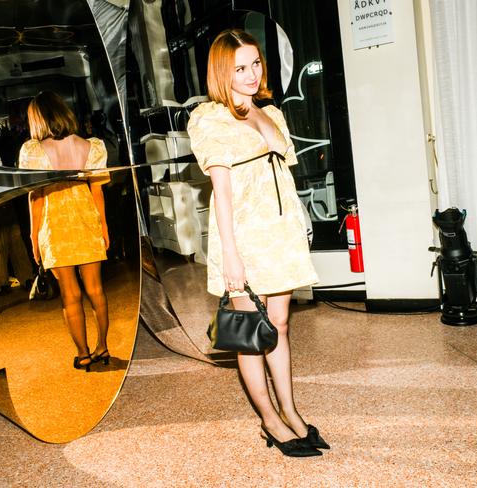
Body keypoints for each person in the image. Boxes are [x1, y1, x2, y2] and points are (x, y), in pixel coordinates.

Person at [187, 29, 329, 457]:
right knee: (251, 333)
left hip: (280, 234)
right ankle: (269, 420)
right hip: (245, 236)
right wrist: (230, 254)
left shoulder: (273, 114)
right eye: (240, 67)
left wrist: (299, 224)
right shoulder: (208, 118)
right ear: (221, 72)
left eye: (255, 64)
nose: (251, 74)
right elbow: (222, 191)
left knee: (280, 326)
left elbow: (282, 177)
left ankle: (292, 412)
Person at [18, 91, 111, 371]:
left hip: (54, 224)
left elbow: (35, 197)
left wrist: (34, 237)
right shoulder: (92, 146)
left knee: (70, 295)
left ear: (39, 118)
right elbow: (97, 190)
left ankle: (83, 354)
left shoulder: (32, 151)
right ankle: (103, 346)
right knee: (96, 290)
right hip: (86, 218)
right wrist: (104, 227)